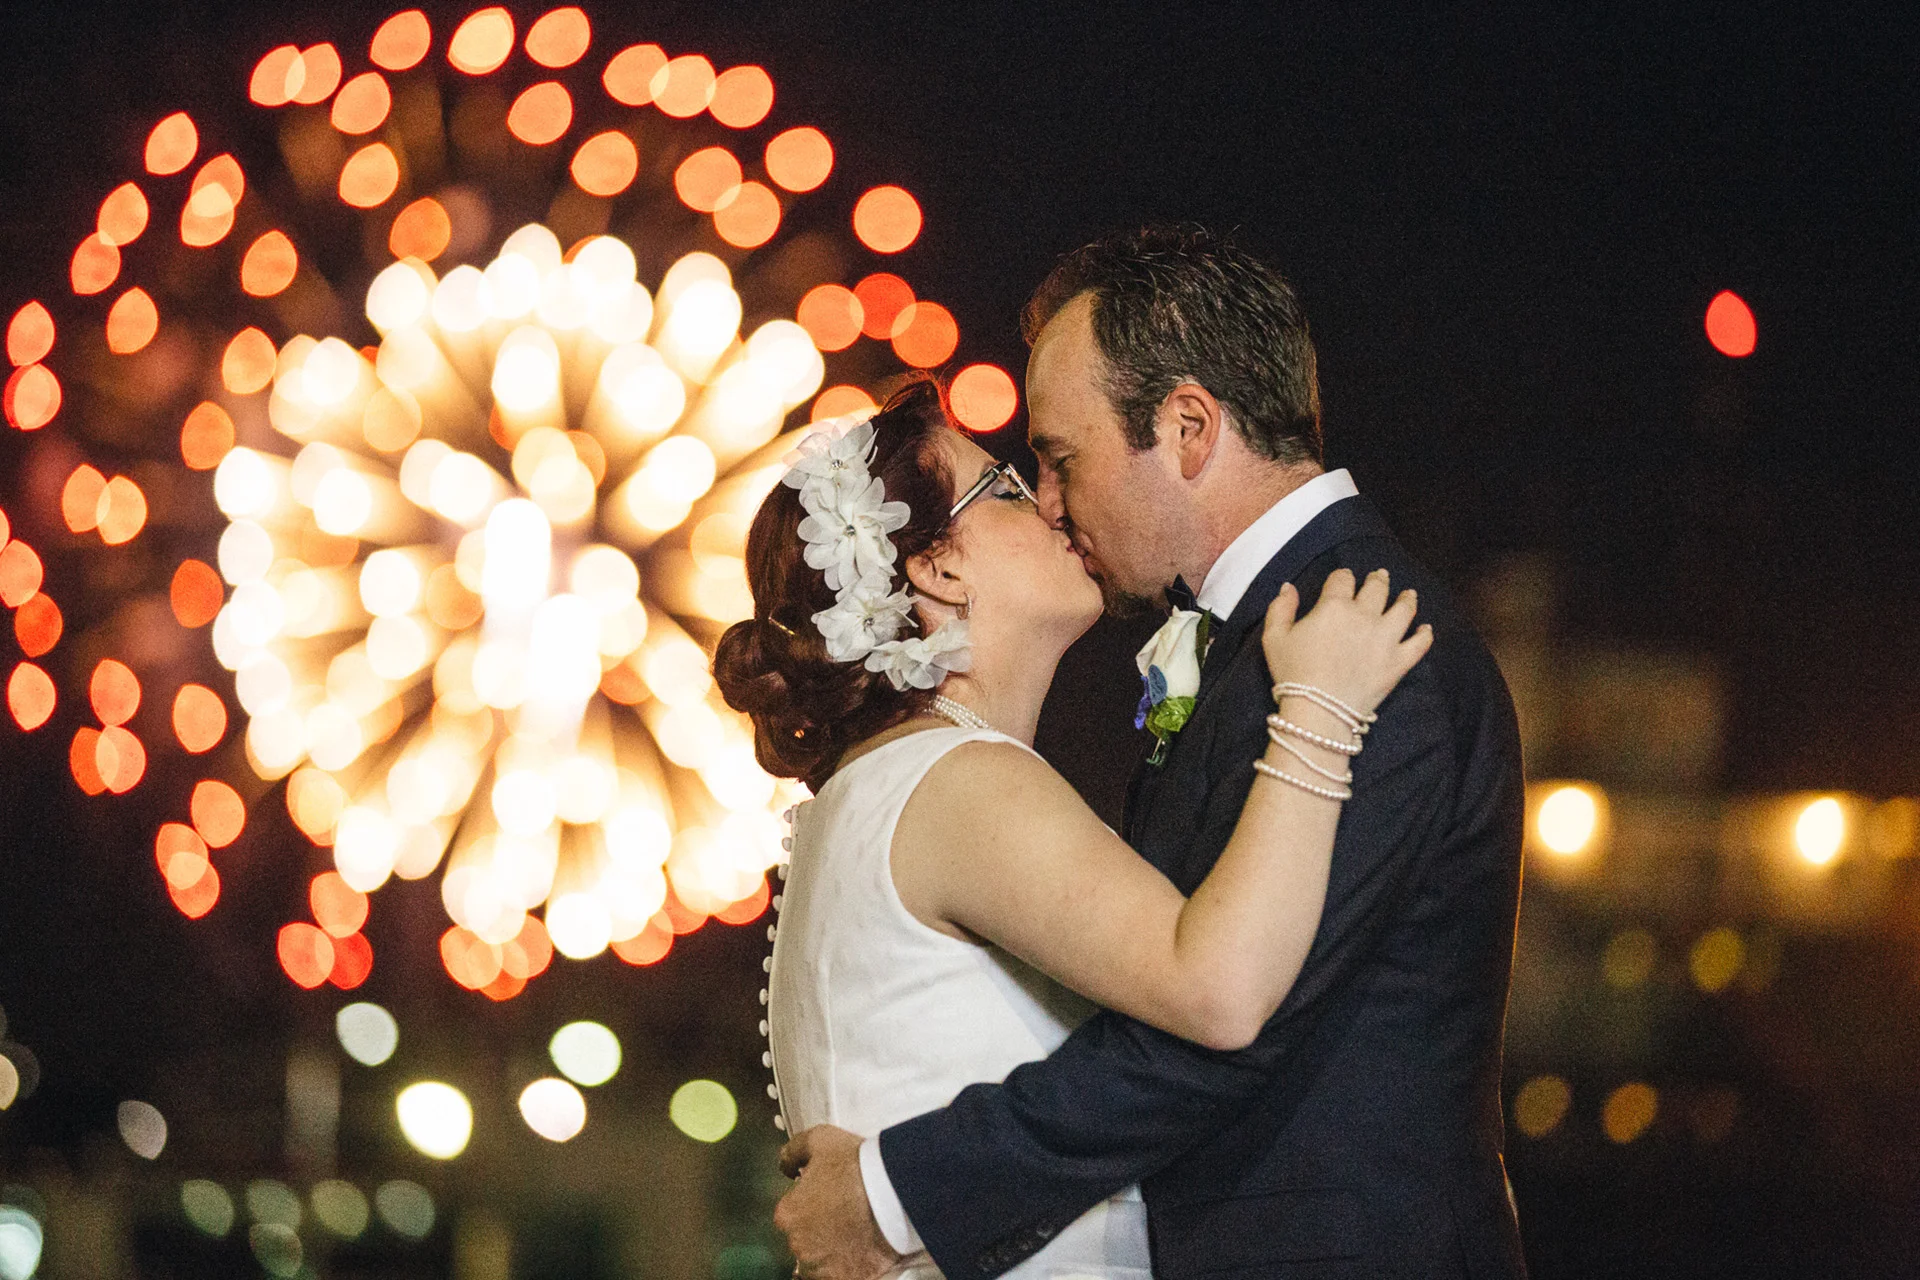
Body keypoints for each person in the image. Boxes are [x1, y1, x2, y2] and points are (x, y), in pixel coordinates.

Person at [766, 227, 1529, 1280]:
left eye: (1061, 456)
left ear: (1187, 427)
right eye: (1028, 472)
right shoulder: (1258, 651)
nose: (1050, 497)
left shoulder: (1366, 636)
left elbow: (1224, 1025)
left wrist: (901, 1190)